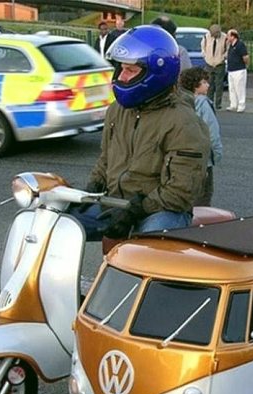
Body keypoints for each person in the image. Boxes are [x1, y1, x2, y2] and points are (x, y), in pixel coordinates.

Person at [70, 25, 210, 240]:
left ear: (157, 73)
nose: (123, 77)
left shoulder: (184, 122)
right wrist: (92, 188)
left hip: (161, 209)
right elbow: (106, 159)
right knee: (59, 225)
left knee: (142, 247)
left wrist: (137, 209)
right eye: (122, 68)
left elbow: (181, 192)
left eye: (131, 70)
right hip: (117, 202)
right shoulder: (117, 110)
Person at [179, 67, 223, 206]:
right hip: (203, 160)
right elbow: (212, 132)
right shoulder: (204, 104)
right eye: (204, 82)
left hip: (184, 156)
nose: (208, 85)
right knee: (204, 196)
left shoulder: (180, 102)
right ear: (195, 85)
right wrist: (216, 155)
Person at [201, 24, 228, 110]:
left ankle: (218, 104)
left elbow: (227, 49)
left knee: (219, 85)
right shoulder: (206, 37)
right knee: (209, 84)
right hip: (209, 63)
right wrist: (205, 56)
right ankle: (209, 102)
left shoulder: (225, 37)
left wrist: (223, 57)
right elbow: (203, 48)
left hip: (220, 64)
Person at [226, 28, 249, 113]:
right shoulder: (231, 45)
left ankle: (241, 105)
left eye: (228, 35)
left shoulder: (240, 45)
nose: (227, 37)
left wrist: (245, 65)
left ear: (233, 36)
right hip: (231, 70)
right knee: (232, 88)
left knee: (240, 88)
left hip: (239, 70)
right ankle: (233, 104)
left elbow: (245, 57)